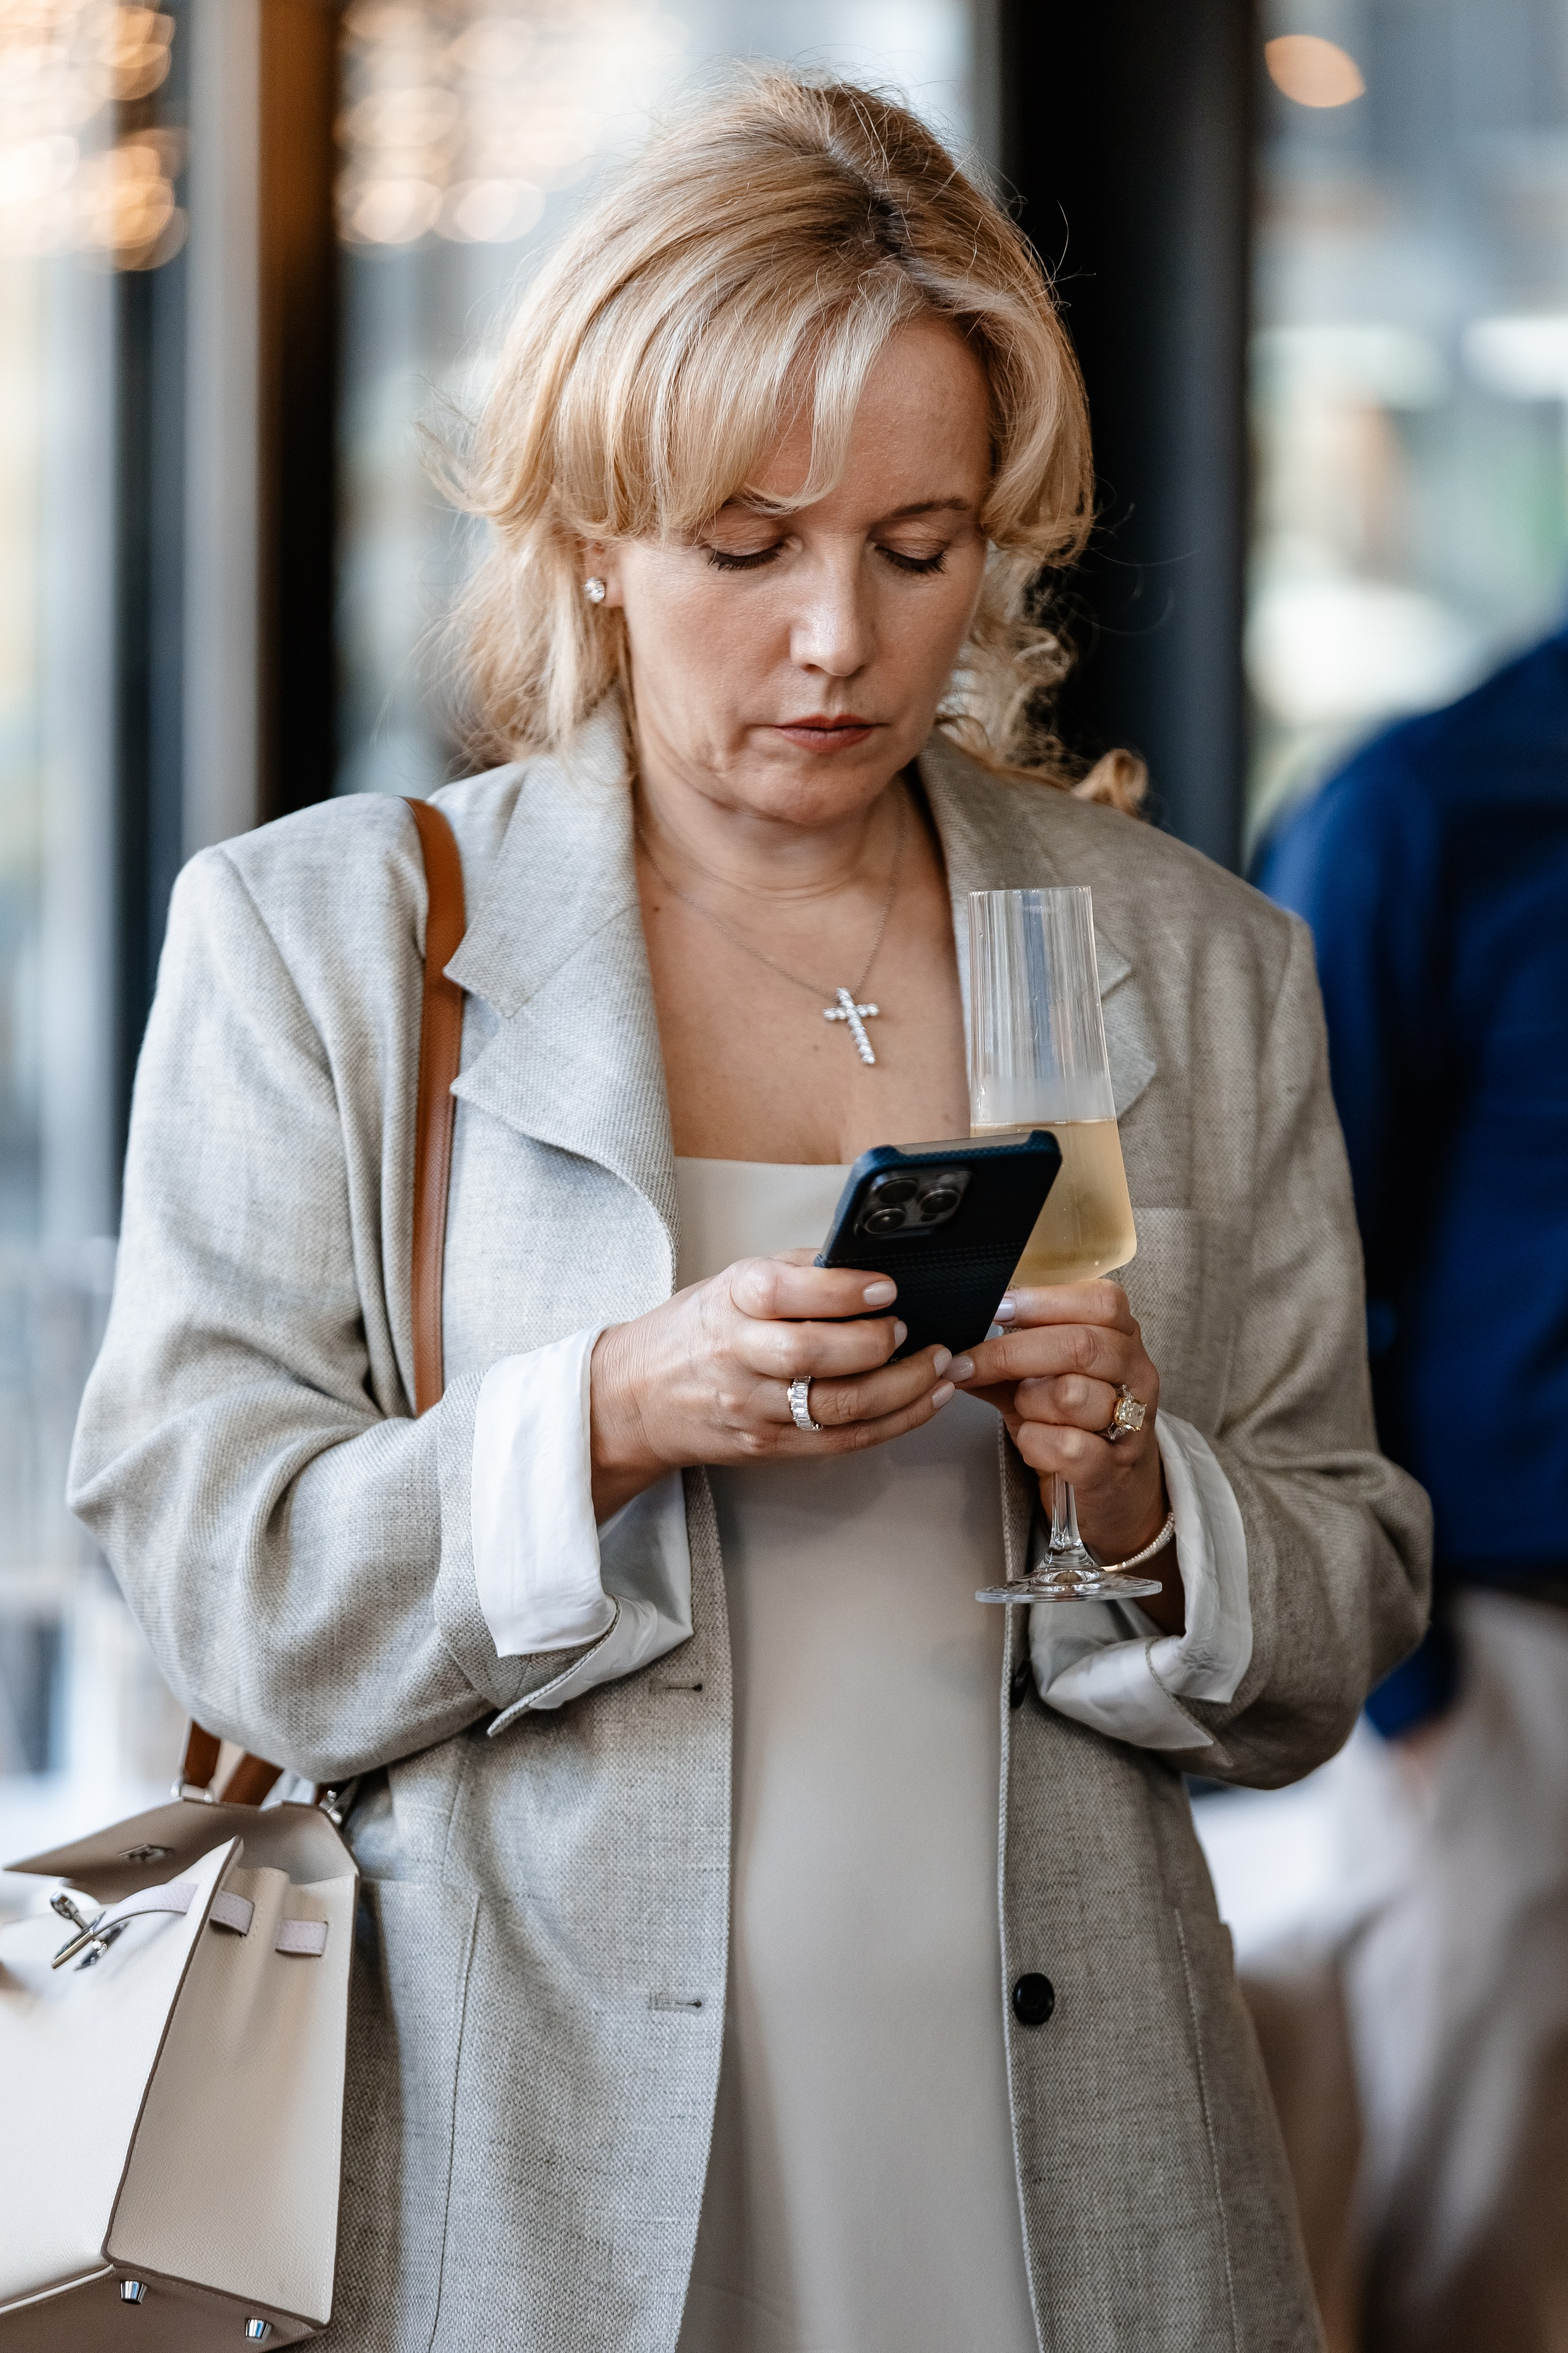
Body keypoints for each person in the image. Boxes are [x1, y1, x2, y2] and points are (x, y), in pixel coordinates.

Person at [70, 72, 1428, 2353]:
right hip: (531, 2158)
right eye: (747, 545)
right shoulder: (316, 942)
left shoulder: (1187, 958)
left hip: (1064, 2154)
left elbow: (1343, 1593)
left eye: (920, 549)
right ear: (594, 529)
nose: (839, 643)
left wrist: (1137, 1489)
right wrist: (606, 1407)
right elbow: (221, 1585)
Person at [1257, 627, 1568, 2352]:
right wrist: (1412, 1682)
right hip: (1515, 1668)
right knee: (1475, 2250)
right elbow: (1291, 1274)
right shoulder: (1422, 808)